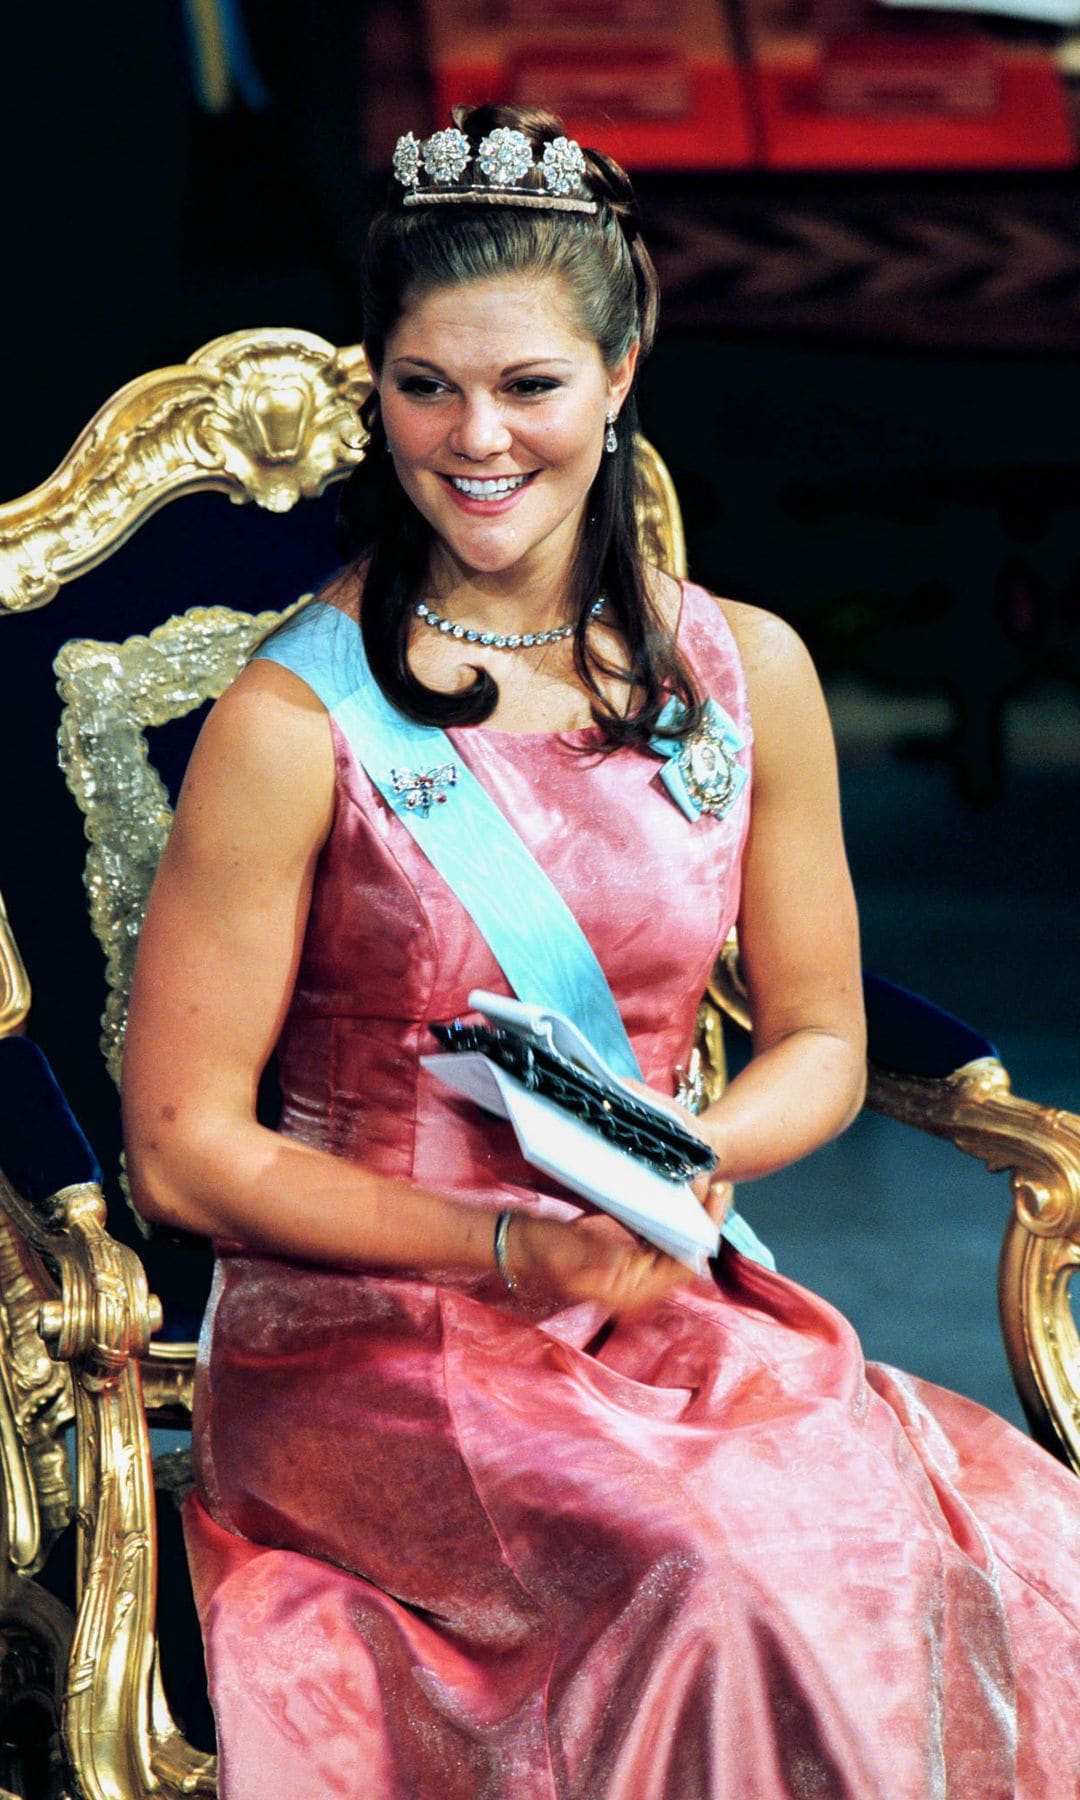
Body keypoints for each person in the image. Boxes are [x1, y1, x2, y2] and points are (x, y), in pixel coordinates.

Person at [122, 102, 1080, 1799]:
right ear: (376, 381)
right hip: (372, 1340)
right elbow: (185, 1151)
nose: (474, 438)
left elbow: (824, 1043)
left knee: (996, 1550)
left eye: (529, 386)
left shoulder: (749, 671)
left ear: (623, 367)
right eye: (425, 386)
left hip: (657, 1293)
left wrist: (688, 1153)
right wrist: (506, 1247)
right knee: (714, 1585)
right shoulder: (291, 721)